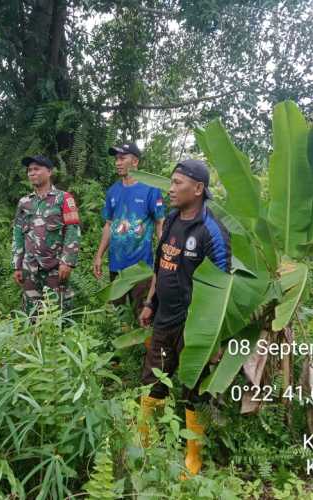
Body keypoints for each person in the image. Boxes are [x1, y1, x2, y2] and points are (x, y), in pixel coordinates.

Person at [137, 159, 231, 477]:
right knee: (152, 383)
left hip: (196, 329)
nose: (171, 188)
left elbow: (224, 288)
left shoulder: (213, 232)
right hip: (164, 319)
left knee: (194, 392)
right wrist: (150, 302)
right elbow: (160, 266)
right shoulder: (172, 220)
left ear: (198, 188)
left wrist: (215, 339)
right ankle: (144, 447)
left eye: (178, 183)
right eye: (171, 182)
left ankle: (193, 459)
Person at [93, 143, 165, 315]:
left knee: (141, 313)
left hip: (140, 267)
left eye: (122, 158)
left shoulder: (151, 190)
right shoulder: (113, 191)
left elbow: (159, 224)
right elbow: (109, 224)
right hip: (116, 265)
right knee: (117, 314)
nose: (118, 163)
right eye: (116, 159)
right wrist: (99, 255)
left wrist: (164, 255)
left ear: (135, 161)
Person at [12, 155, 81, 316]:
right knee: (32, 314)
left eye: (36, 169)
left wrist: (67, 262)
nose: (32, 173)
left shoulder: (64, 198)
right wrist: (17, 264)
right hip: (30, 267)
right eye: (29, 170)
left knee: (58, 313)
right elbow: (17, 233)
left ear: (49, 172)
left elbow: (72, 229)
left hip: (55, 267)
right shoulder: (24, 202)